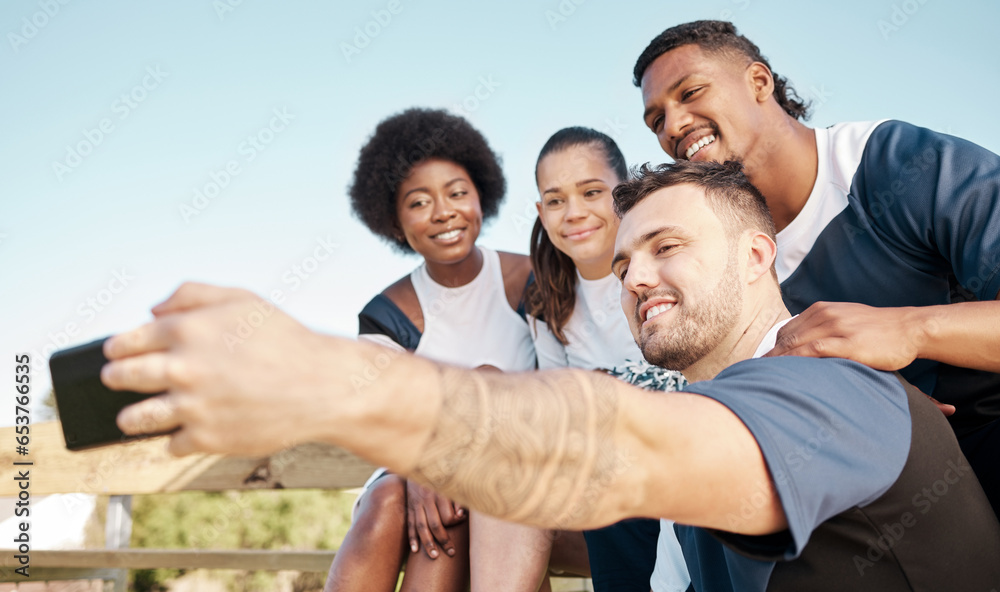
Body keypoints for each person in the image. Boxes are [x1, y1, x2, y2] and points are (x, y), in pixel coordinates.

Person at [104, 160, 1000, 590]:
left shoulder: (833, 387)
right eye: (628, 255)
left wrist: (327, 381)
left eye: (669, 245)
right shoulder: (717, 406)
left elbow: (608, 443)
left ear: (762, 252)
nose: (637, 273)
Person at [632, 20, 1000, 515]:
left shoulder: (893, 165)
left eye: (691, 92)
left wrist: (911, 330)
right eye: (656, 121)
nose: (673, 126)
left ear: (759, 83)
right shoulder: (716, 265)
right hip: (888, 491)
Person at [318, 107, 553, 592]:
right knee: (389, 498)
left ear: (481, 197)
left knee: (463, 495)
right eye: (418, 202)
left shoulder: (530, 279)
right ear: (393, 219)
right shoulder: (388, 313)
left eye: (457, 193)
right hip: (411, 466)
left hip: (510, 462)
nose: (444, 212)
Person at [526, 126, 689, 592]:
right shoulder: (548, 308)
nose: (574, 212)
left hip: (687, 462)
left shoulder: (664, 273)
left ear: (623, 193)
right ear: (541, 212)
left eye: (592, 192)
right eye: (555, 201)